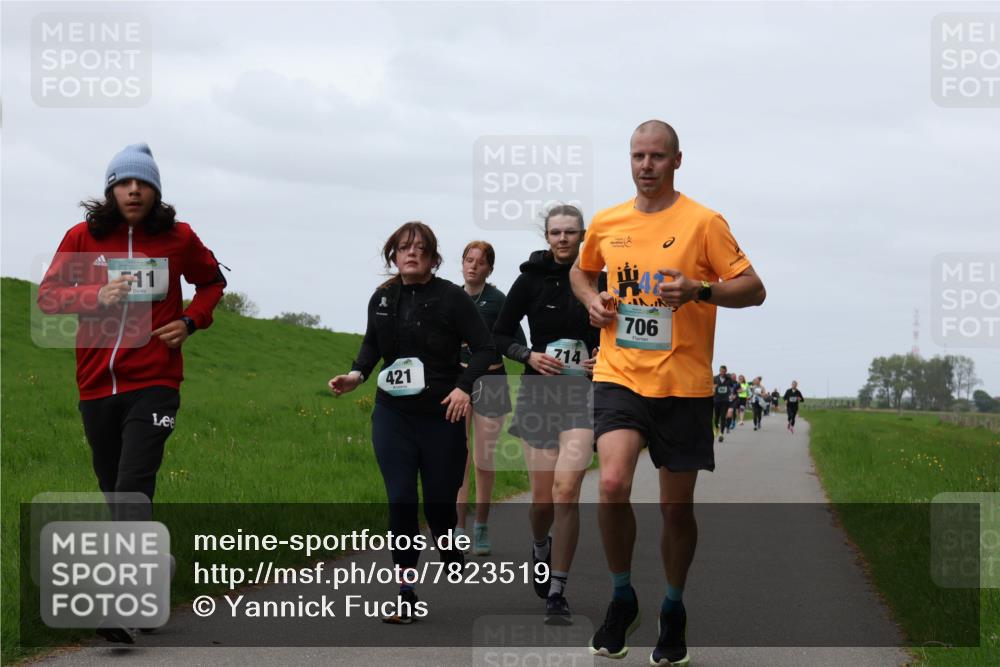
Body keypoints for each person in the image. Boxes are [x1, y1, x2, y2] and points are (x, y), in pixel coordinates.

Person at [570, 120, 765, 665]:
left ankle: (673, 606)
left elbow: (754, 289)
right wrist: (592, 301)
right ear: (628, 160)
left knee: (675, 509)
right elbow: (583, 274)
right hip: (619, 374)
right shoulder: (608, 222)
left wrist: (700, 290)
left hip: (683, 385)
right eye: (638, 155)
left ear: (677, 161)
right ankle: (621, 595)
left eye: (657, 156)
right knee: (610, 484)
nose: (646, 165)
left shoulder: (704, 222)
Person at [37, 143, 227, 644]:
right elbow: (48, 297)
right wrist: (92, 295)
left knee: (132, 485)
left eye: (144, 183)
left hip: (155, 383)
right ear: (111, 190)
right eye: (125, 183)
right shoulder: (82, 238)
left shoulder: (177, 238)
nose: (135, 190)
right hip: (96, 384)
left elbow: (212, 283)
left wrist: (190, 321)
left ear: (156, 192)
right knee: (114, 491)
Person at [328, 222, 496, 624]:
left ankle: (448, 542)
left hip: (442, 413)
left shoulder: (452, 298)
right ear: (394, 254)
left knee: (440, 504)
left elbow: (485, 347)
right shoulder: (383, 297)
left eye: (420, 248)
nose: (411, 253)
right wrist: (355, 376)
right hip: (394, 413)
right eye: (404, 247)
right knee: (402, 498)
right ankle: (405, 591)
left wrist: (462, 388)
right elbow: (371, 345)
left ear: (433, 257)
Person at [493, 204, 603, 625]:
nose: (562, 239)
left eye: (570, 233)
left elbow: (619, 332)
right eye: (555, 232)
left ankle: (558, 589)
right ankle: (540, 545)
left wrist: (602, 358)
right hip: (539, 397)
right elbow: (500, 333)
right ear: (547, 237)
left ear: (583, 235)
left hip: (581, 396)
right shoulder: (529, 280)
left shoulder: (599, 279)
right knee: (542, 502)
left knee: (566, 490)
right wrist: (529, 355)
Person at [455, 240, 526, 556]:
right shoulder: (450, 299)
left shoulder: (499, 301)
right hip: (457, 382)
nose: (472, 266)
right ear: (461, 263)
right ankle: (457, 528)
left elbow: (517, 342)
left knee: (483, 458)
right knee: (459, 457)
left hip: (492, 382)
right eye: (468, 260)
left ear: (489, 268)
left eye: (479, 262)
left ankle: (481, 526)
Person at [712, 365, 733, 442]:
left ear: (725, 371)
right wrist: (713, 388)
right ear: (719, 371)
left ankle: (721, 433)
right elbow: (712, 387)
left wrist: (732, 394)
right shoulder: (715, 378)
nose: (722, 372)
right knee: (716, 417)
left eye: (723, 371)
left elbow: (732, 387)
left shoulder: (728, 379)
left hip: (725, 400)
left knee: (723, 416)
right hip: (717, 400)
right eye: (721, 371)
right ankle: (716, 428)